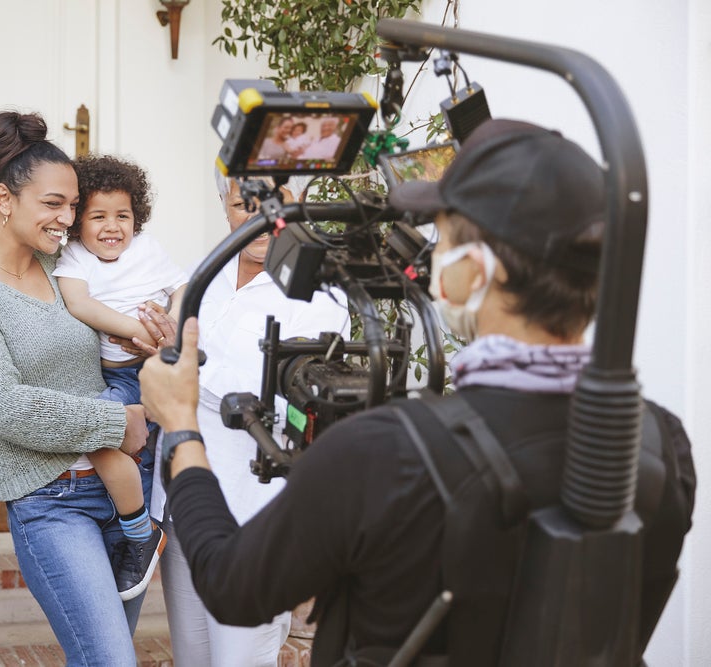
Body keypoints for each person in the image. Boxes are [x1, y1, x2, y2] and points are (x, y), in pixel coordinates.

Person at [137, 119, 696, 666]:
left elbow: (234, 586)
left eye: (442, 241)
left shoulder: (382, 451)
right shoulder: (660, 441)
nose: (427, 263)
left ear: (473, 273)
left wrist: (182, 425)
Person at [0, 111, 157, 667]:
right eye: (53, 204)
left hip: (125, 492)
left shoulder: (67, 267)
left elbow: (129, 309)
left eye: (73, 205)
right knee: (111, 660)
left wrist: (154, 328)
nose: (68, 218)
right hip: (53, 504)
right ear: (6, 200)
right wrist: (116, 423)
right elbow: (1, 405)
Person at [143, 173, 350, 667]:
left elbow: (285, 399)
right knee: (191, 654)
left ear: (299, 202)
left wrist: (184, 365)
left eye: (274, 204)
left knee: (241, 659)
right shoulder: (203, 271)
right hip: (183, 494)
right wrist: (160, 347)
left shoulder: (323, 296)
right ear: (222, 204)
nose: (258, 218)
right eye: (242, 205)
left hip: (254, 510)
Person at [53, 154, 187, 600]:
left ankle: (138, 537)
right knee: (115, 439)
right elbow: (79, 304)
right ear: (77, 223)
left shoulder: (147, 250)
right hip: (118, 372)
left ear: (138, 218)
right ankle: (136, 535)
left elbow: (184, 287)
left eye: (123, 216)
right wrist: (136, 329)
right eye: (98, 216)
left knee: (127, 447)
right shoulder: (74, 256)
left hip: (150, 370)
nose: (113, 227)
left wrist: (170, 328)